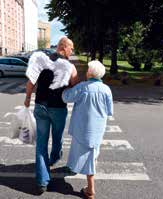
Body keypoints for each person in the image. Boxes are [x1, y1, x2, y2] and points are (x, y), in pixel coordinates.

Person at [24, 37, 78, 193]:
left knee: (41, 143)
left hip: (40, 106)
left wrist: (27, 98)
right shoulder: (69, 66)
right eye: (71, 48)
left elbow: (30, 83)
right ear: (63, 47)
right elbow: (75, 86)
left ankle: (42, 181)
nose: (72, 51)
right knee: (57, 137)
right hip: (58, 108)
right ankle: (54, 158)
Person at [62, 60, 113, 199]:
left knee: (88, 156)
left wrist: (66, 87)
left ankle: (90, 189)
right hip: (98, 128)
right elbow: (109, 111)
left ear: (90, 73)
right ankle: (85, 179)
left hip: (83, 128)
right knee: (92, 153)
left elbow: (66, 97)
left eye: (87, 70)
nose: (86, 72)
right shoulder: (107, 89)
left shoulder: (83, 87)